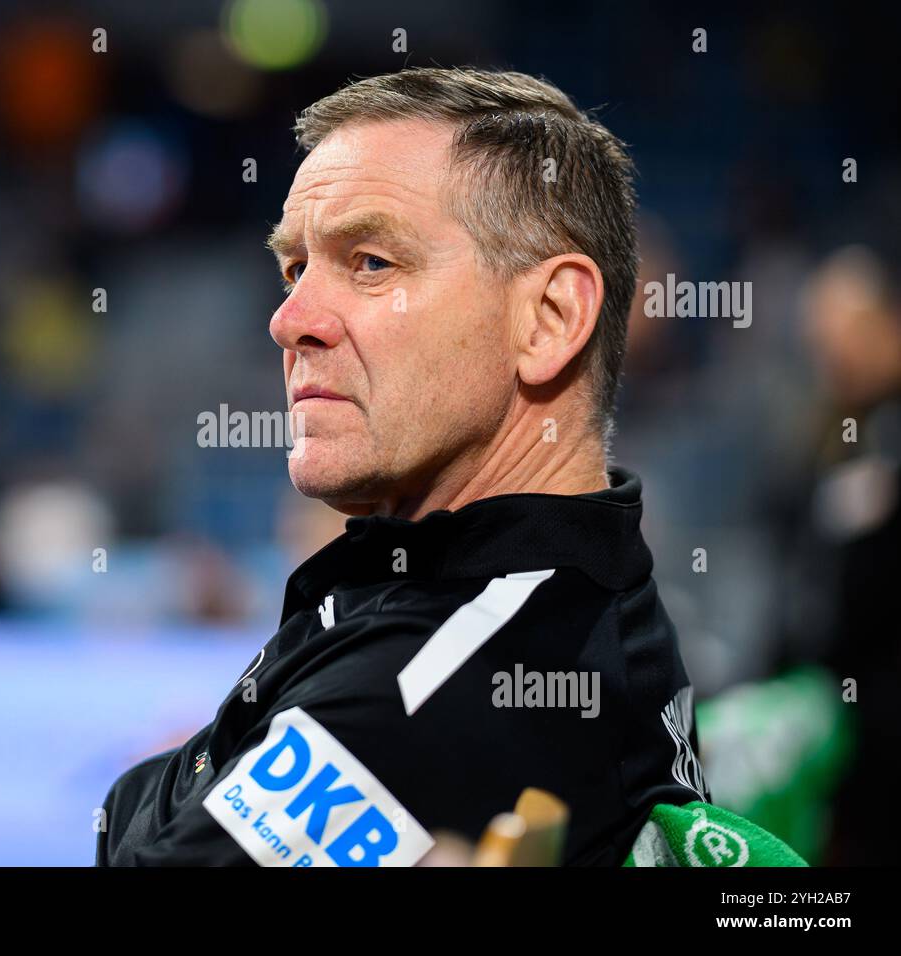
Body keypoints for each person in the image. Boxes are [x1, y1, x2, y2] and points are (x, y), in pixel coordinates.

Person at [96, 66, 707, 867]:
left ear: (550, 320)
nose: (290, 320)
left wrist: (165, 791)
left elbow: (129, 824)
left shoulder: (435, 686)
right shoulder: (573, 600)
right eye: (295, 269)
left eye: (372, 262)